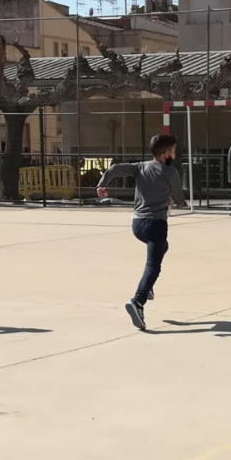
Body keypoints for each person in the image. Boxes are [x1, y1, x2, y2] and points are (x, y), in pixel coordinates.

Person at [96, 134, 185, 331]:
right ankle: (138, 301)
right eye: (173, 151)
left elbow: (115, 169)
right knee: (153, 266)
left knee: (163, 247)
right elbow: (179, 197)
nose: (175, 154)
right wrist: (178, 201)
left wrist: (102, 184)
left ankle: (148, 286)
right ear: (165, 154)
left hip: (137, 225)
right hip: (156, 225)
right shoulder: (170, 172)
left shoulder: (140, 166)